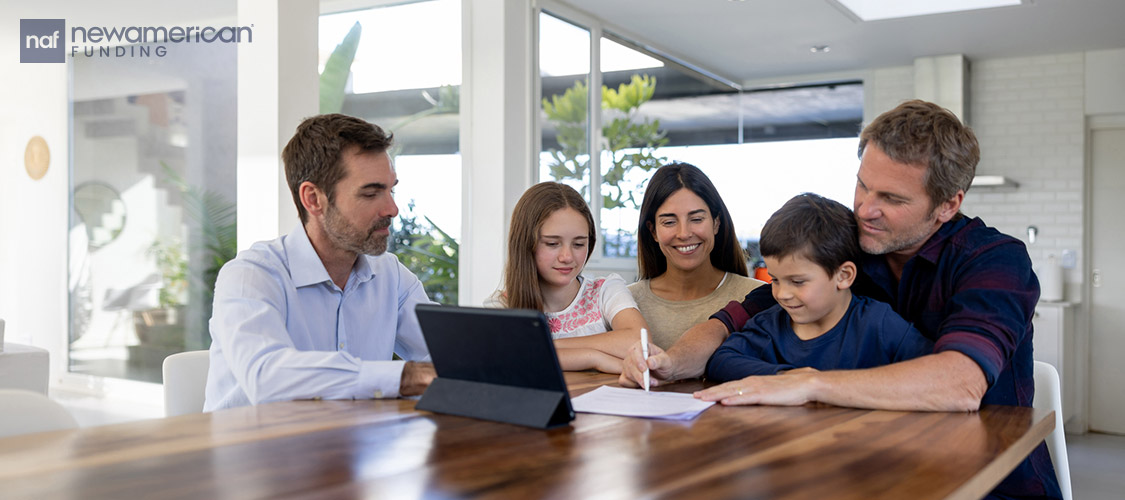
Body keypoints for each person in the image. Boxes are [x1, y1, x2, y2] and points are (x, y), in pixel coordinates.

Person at [622, 100, 1060, 499]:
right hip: (875, 465)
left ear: (948, 204)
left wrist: (808, 382)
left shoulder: (995, 260)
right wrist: (674, 362)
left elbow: (960, 384)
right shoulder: (853, 242)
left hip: (990, 479)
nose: (865, 209)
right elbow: (736, 319)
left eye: (890, 198)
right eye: (863, 186)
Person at [204, 114, 435, 411]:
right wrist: (406, 377)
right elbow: (268, 376)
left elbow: (446, 356)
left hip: (346, 450)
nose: (392, 208)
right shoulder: (251, 276)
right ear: (313, 199)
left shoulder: (390, 276)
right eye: (371, 193)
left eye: (391, 190)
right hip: (252, 453)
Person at [706, 193, 932, 381]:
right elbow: (722, 361)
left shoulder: (879, 325)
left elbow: (932, 368)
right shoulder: (768, 326)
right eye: (775, 279)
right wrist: (789, 377)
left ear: (844, 276)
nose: (782, 294)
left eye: (797, 282)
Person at [487, 182, 648, 374]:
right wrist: (595, 358)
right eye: (553, 243)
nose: (567, 257)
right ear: (525, 244)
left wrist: (543, 347)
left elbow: (639, 342)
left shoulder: (606, 290)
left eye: (579, 244)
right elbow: (507, 359)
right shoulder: (502, 305)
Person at [628, 162, 766, 350]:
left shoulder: (758, 298)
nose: (684, 233)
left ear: (716, 223)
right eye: (669, 222)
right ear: (653, 231)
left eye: (696, 219)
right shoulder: (625, 302)